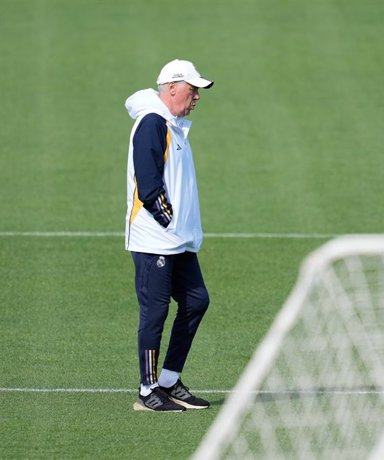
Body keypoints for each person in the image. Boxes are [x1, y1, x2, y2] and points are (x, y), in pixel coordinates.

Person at [124, 59, 214, 412]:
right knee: (155, 313)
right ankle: (148, 391)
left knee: (196, 301)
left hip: (177, 240)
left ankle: (168, 380)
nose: (196, 98)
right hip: (155, 239)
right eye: (192, 90)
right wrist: (167, 220)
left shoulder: (173, 126)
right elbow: (149, 185)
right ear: (172, 88)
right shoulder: (152, 124)